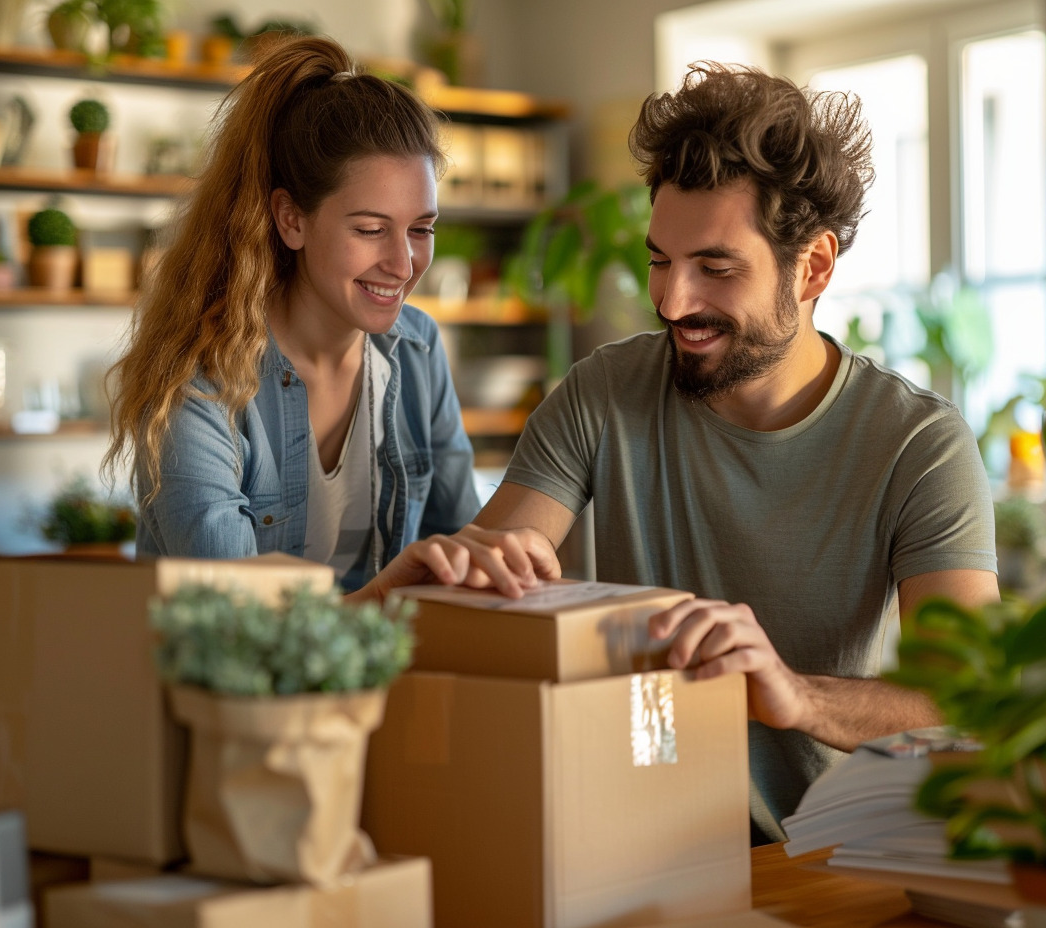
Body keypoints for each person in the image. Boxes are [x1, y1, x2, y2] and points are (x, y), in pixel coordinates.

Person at [468, 63, 1000, 842]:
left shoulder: (917, 443)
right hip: (624, 839)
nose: (673, 301)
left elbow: (966, 700)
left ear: (813, 266)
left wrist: (794, 694)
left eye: (715, 269)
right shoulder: (601, 394)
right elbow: (491, 578)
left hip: (816, 854)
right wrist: (488, 573)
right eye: (660, 260)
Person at [103, 36, 557, 601]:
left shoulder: (417, 349)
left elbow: (459, 549)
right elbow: (235, 622)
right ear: (291, 219)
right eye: (370, 229)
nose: (403, 262)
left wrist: (496, 559)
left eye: (421, 229)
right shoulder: (199, 383)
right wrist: (395, 586)